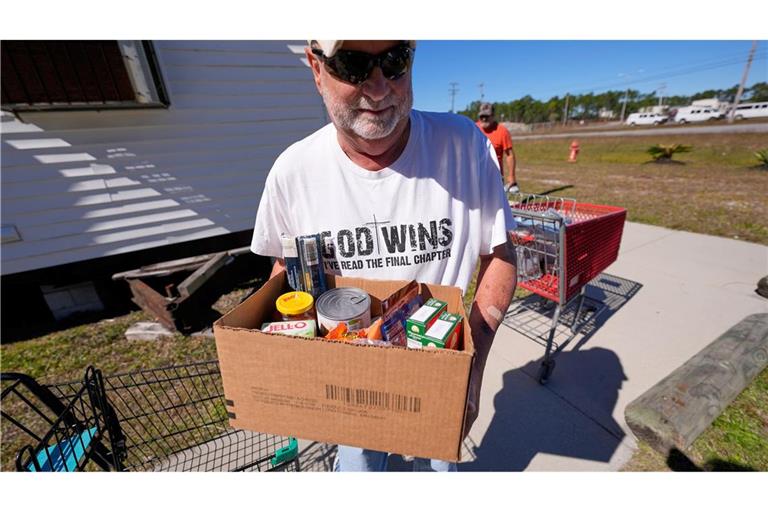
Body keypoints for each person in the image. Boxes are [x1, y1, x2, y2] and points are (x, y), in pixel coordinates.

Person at [250, 40, 518, 472]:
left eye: (394, 62)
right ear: (317, 69)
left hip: (438, 374)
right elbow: (284, 269)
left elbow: (500, 254)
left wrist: (473, 367)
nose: (378, 88)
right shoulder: (292, 171)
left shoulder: (465, 146)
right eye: (353, 64)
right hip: (349, 388)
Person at [476, 102, 519, 194]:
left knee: (494, 207)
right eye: (481, 116)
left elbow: (509, 155)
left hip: (495, 178)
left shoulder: (502, 131)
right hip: (475, 176)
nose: (484, 119)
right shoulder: (474, 129)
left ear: (493, 116)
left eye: (487, 116)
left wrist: (511, 176)